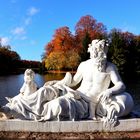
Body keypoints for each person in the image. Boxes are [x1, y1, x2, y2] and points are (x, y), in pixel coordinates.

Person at [0, 39, 134, 127]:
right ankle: (14, 106)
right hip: (75, 93)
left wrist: (110, 91)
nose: (98, 54)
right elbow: (74, 82)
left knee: (57, 105)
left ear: (105, 53)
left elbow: (120, 85)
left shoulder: (110, 67)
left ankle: (17, 112)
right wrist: (57, 83)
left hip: (86, 103)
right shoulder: (84, 65)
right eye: (95, 51)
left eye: (100, 52)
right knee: (44, 91)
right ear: (91, 51)